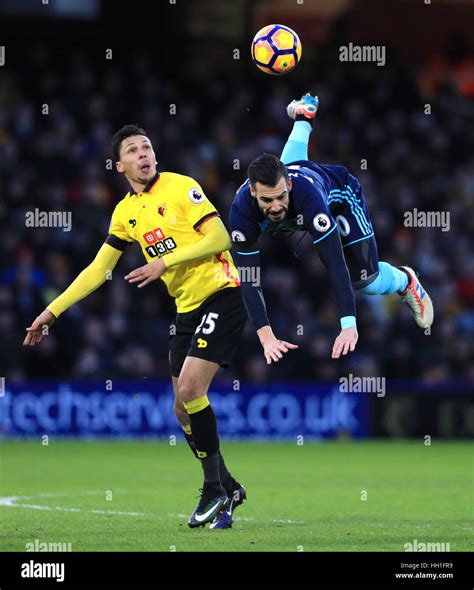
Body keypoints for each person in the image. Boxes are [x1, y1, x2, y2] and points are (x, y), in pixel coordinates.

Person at [23, 125, 247, 529]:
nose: (143, 153)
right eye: (133, 149)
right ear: (119, 164)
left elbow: (220, 237)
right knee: (181, 408)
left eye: (147, 146)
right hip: (185, 309)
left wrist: (165, 262)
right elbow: (98, 269)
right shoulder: (125, 212)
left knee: (192, 390)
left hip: (223, 294)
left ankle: (214, 489)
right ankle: (228, 485)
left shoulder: (181, 187)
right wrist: (52, 311)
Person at [229, 94, 434, 364]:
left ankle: (405, 280)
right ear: (253, 193)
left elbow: (336, 263)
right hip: (299, 179)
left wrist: (348, 324)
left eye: (281, 196)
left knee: (366, 281)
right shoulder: (241, 214)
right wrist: (266, 337)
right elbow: (249, 277)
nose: (277, 206)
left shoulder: (308, 199)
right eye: (268, 200)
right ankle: (303, 118)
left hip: (341, 196)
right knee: (290, 165)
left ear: (288, 185)